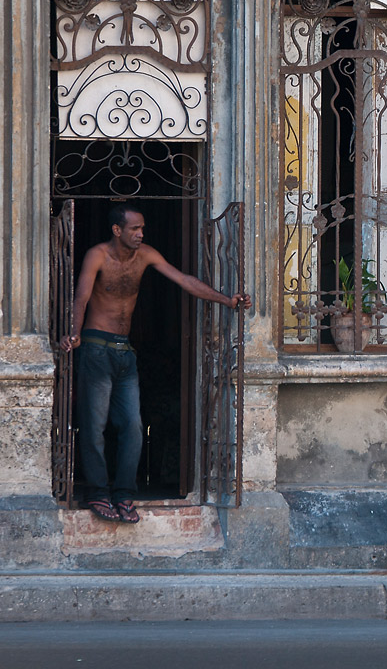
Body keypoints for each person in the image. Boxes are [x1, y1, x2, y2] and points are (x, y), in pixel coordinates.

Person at [58, 202, 251, 524]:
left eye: (142, 228)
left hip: (125, 353)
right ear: (117, 230)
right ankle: (96, 491)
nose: (140, 234)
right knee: (94, 427)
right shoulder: (97, 255)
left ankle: (123, 493)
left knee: (133, 427)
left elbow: (184, 280)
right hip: (95, 347)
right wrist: (74, 334)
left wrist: (227, 300)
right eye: (134, 229)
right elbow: (81, 296)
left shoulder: (145, 254)